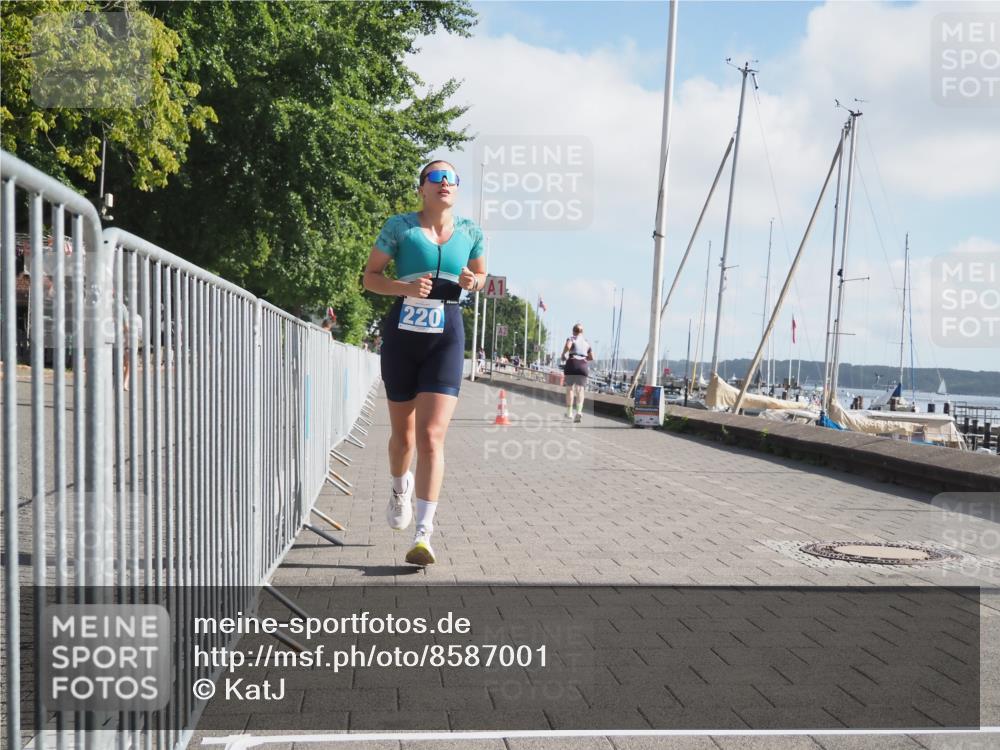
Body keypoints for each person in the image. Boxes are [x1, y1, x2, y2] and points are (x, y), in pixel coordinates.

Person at [362, 160, 486, 566]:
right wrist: (403, 286)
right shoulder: (400, 226)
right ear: (422, 188)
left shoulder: (470, 232)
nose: (445, 183)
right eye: (436, 177)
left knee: (432, 436)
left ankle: (424, 535)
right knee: (404, 437)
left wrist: (473, 281)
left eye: (452, 178)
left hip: (446, 333)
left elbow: (482, 274)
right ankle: (400, 490)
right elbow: (370, 277)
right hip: (402, 331)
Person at [561, 323, 593, 423]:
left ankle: (569, 412)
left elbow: (568, 345)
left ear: (573, 331)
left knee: (570, 389)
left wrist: (563, 353)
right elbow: (592, 357)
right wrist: (583, 359)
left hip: (572, 363)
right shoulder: (586, 342)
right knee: (580, 390)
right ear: (582, 332)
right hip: (583, 366)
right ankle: (579, 411)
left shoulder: (571, 338)